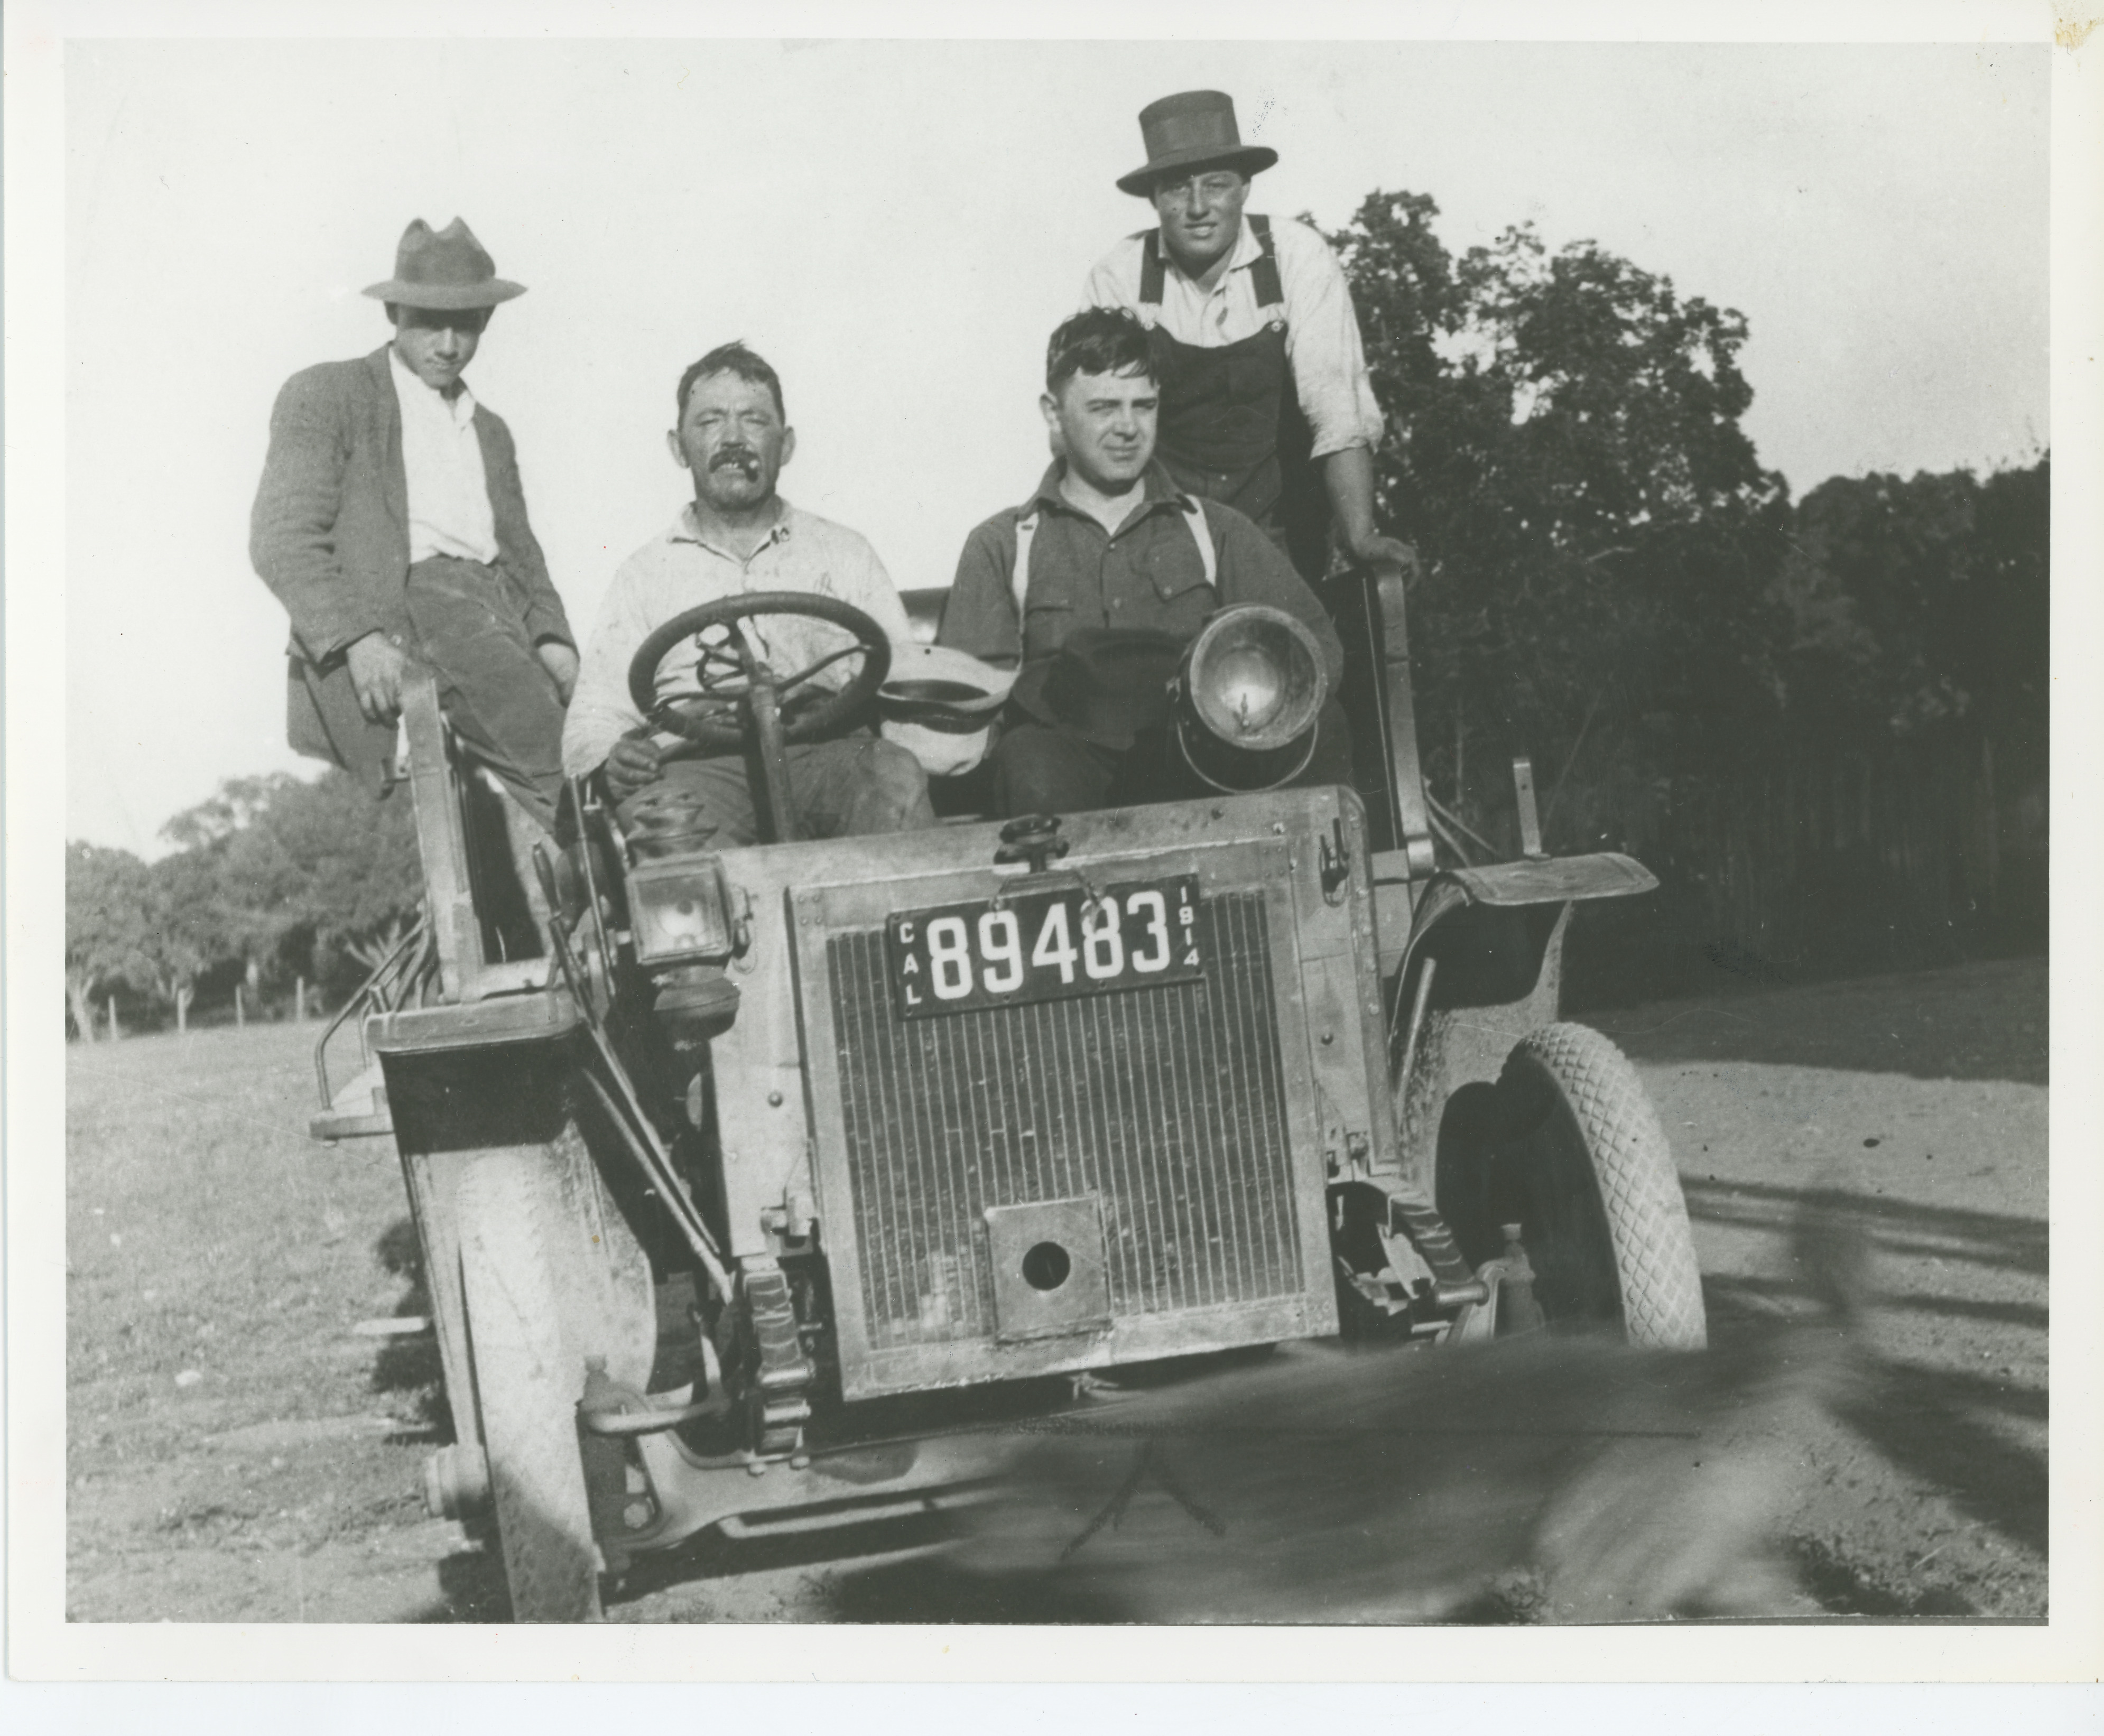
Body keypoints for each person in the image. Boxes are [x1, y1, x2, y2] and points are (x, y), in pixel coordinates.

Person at [938, 307, 1350, 818]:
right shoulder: (1002, 545)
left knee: (1322, 726)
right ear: (1053, 413)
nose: (1128, 428)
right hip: (1068, 766)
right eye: (1104, 407)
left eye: (1144, 406)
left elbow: (1315, 650)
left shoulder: (1214, 529)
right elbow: (965, 701)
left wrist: (1242, 706)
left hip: (1200, 759)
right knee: (1029, 764)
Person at [252, 217, 577, 832]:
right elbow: (282, 537)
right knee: (566, 773)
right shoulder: (330, 395)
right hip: (417, 610)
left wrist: (555, 641)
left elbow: (523, 558)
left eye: (468, 323)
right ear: (394, 313)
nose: (449, 344)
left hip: (496, 614)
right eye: (430, 321)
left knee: (601, 743)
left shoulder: (490, 430)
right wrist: (357, 637)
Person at [561, 342, 933, 844]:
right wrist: (610, 760)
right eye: (711, 421)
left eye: (754, 420)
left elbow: (903, 676)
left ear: (787, 444)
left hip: (827, 753)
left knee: (895, 781)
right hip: (699, 768)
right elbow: (596, 711)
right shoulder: (644, 575)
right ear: (677, 447)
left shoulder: (844, 553)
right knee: (668, 830)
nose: (733, 437)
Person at [1083, 89, 1414, 580]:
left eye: (1215, 185)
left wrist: (1359, 534)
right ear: (1154, 198)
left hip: (1279, 530)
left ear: (1244, 187)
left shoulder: (1296, 256)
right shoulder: (1119, 275)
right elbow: (1102, 423)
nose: (1198, 207)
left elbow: (1335, 405)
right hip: (1158, 531)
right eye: (1177, 189)